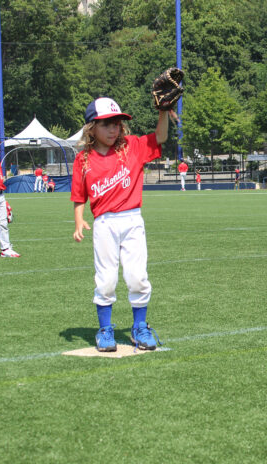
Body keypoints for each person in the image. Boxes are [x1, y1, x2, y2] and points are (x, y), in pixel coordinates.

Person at [71, 97, 171, 352]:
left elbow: (160, 138)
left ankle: (139, 327)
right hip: (104, 223)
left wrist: (162, 112)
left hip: (132, 219)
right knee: (106, 280)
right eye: (106, 124)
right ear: (91, 127)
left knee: (137, 277)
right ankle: (105, 330)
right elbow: (79, 195)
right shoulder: (83, 159)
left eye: (116, 124)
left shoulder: (132, 147)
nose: (113, 129)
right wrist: (79, 220)